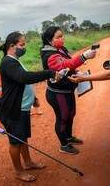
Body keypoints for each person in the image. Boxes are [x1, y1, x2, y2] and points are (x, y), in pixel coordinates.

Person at [0, 31, 62, 182]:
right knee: (15, 142)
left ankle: (28, 162)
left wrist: (33, 98)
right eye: (22, 44)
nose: (24, 47)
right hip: (12, 109)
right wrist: (49, 73)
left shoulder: (15, 60)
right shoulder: (8, 62)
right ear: (11, 46)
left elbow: (20, 84)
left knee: (23, 137)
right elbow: (24, 78)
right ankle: (19, 171)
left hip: (22, 107)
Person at [40, 26, 96, 154]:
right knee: (63, 117)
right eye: (58, 37)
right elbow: (66, 65)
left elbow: (68, 65)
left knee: (71, 114)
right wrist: (84, 56)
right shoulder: (49, 55)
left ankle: (69, 137)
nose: (62, 38)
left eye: (62, 35)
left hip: (67, 90)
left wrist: (76, 71)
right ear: (49, 40)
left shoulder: (60, 49)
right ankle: (64, 145)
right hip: (57, 93)